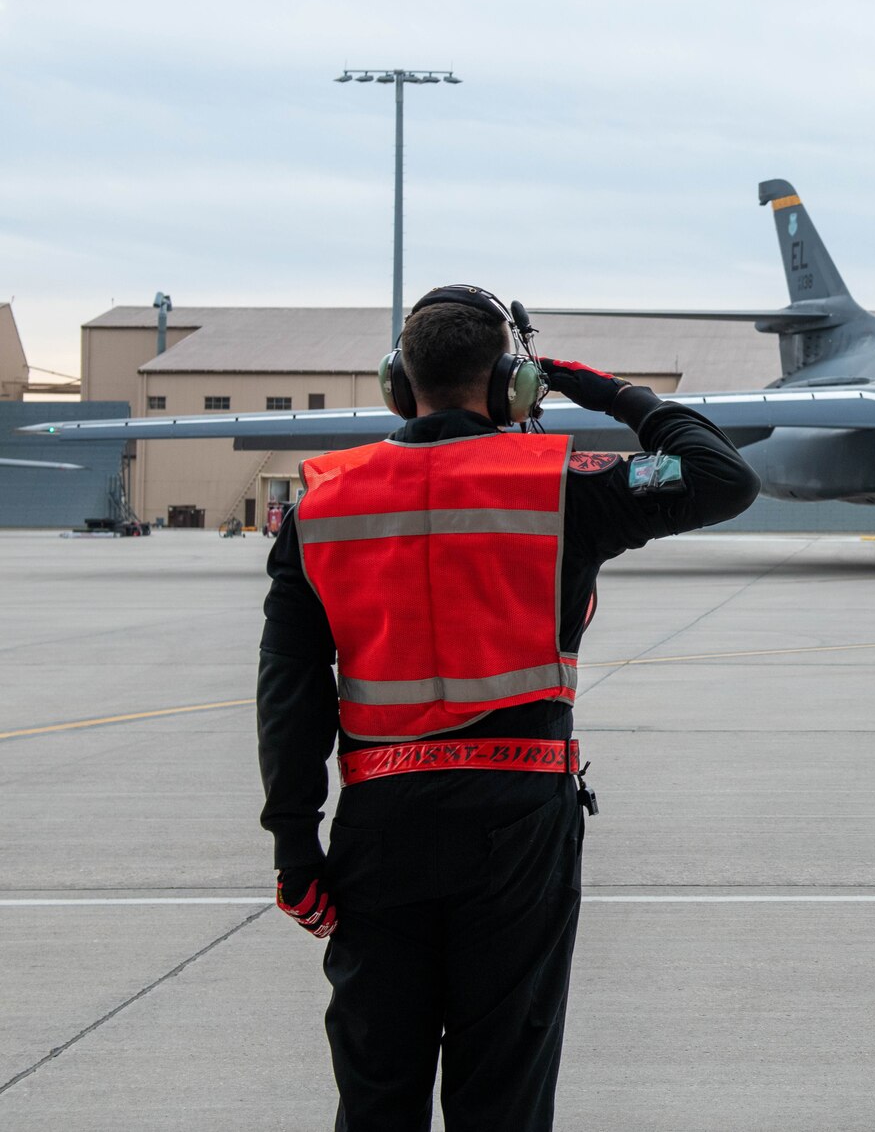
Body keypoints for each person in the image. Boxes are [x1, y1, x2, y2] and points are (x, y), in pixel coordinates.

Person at [256, 285, 759, 1130]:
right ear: (512, 390)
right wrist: (602, 387)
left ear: (396, 383)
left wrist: (295, 848)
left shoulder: (320, 503)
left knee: (377, 1089)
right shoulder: (564, 482)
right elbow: (723, 475)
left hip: (380, 825)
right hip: (519, 828)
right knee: (506, 1092)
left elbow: (290, 689)